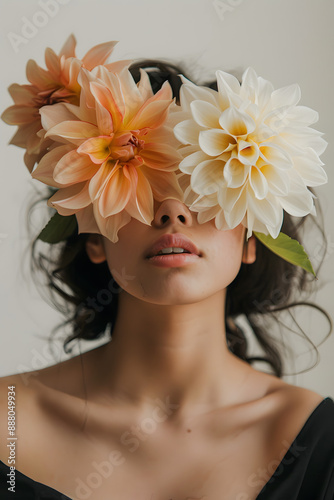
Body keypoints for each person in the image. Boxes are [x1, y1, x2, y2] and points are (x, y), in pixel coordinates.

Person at [0, 36, 333, 500]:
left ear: (251, 236)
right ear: (93, 235)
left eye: (204, 185)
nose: (172, 213)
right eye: (142, 185)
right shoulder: (8, 422)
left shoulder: (321, 443)